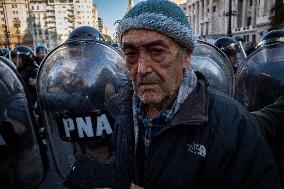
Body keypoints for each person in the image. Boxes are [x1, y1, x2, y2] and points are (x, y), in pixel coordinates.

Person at [65, 1, 281, 189]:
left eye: (156, 51)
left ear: (186, 56)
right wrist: (106, 177)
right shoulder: (123, 109)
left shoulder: (232, 123)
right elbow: (123, 160)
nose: (141, 68)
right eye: (131, 53)